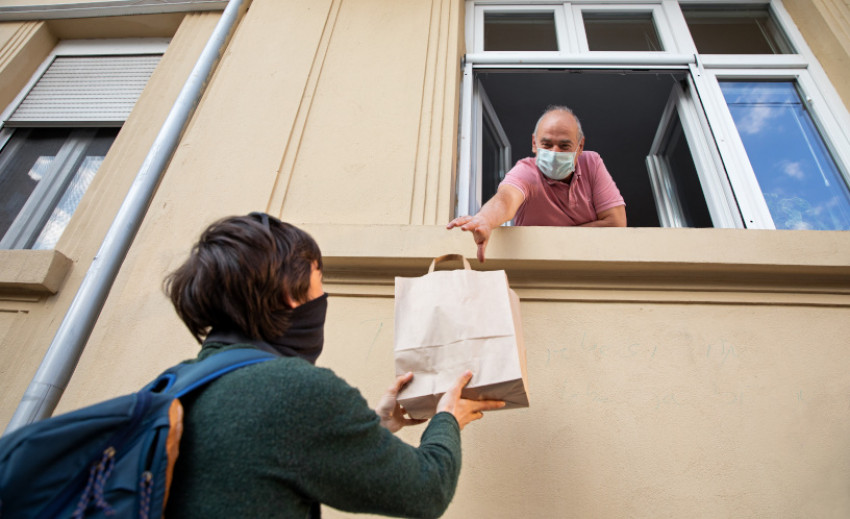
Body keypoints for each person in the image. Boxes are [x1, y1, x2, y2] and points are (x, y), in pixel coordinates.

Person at [164, 213, 504, 518]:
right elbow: (427, 491)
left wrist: (377, 426)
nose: (323, 297)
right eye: (318, 282)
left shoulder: (175, 383)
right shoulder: (296, 390)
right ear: (289, 293)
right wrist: (448, 419)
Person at [447, 105, 626, 262]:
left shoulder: (591, 163)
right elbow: (506, 199)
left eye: (564, 146)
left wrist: (556, 237)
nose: (555, 152)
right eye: (547, 144)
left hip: (590, 266)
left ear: (580, 146)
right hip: (537, 268)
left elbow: (616, 223)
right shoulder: (526, 171)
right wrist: (485, 219)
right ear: (534, 143)